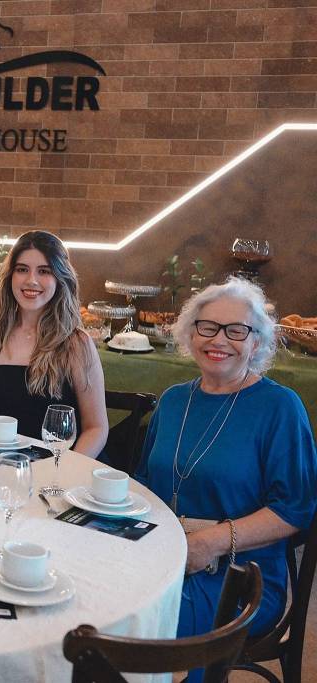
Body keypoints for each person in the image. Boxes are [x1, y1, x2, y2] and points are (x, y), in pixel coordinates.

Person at [136, 278, 316, 650]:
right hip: (160, 559)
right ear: (190, 334)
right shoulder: (172, 401)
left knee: (134, 623)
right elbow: (144, 484)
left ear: (256, 343)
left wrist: (208, 544)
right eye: (208, 327)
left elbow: (294, 510)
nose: (219, 340)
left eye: (236, 330)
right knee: (88, 597)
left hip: (241, 578)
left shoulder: (280, 407)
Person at [0, 230, 107, 457]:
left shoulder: (77, 343)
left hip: (59, 468)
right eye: (22, 269)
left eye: (44, 271)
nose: (31, 280)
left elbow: (96, 428)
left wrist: (65, 469)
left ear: (60, 278)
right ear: (10, 276)